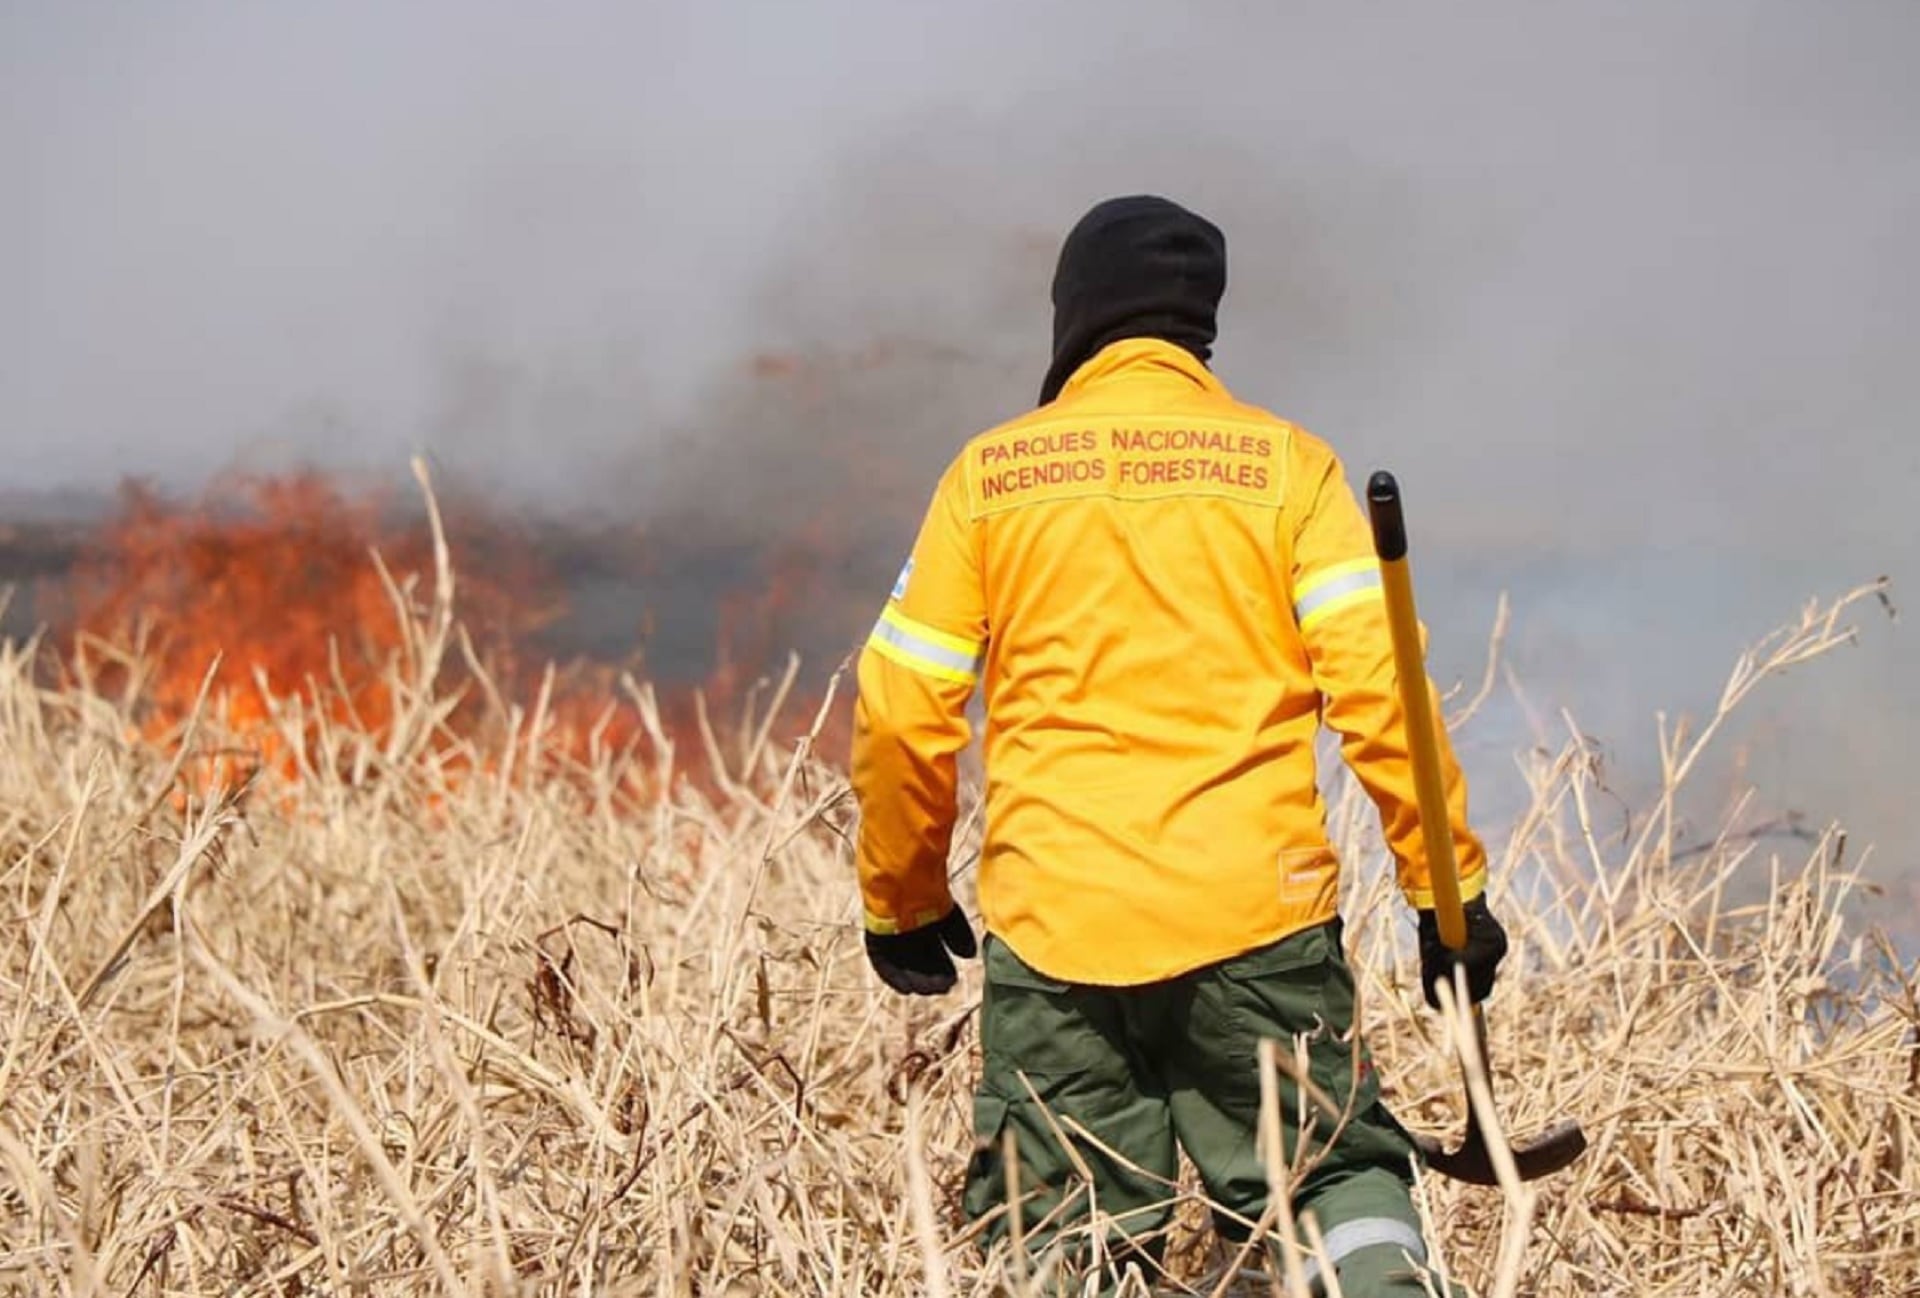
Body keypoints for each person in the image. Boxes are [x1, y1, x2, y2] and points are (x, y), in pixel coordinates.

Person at [849, 195, 1510, 1295]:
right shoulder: (1291, 469)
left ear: (1074, 315)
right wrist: (1449, 895)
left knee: (1061, 1228)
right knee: (1329, 1179)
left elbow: (904, 704)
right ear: (1199, 328)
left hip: (1056, 928)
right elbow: (1381, 689)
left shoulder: (990, 477)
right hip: (1260, 921)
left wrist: (901, 894)